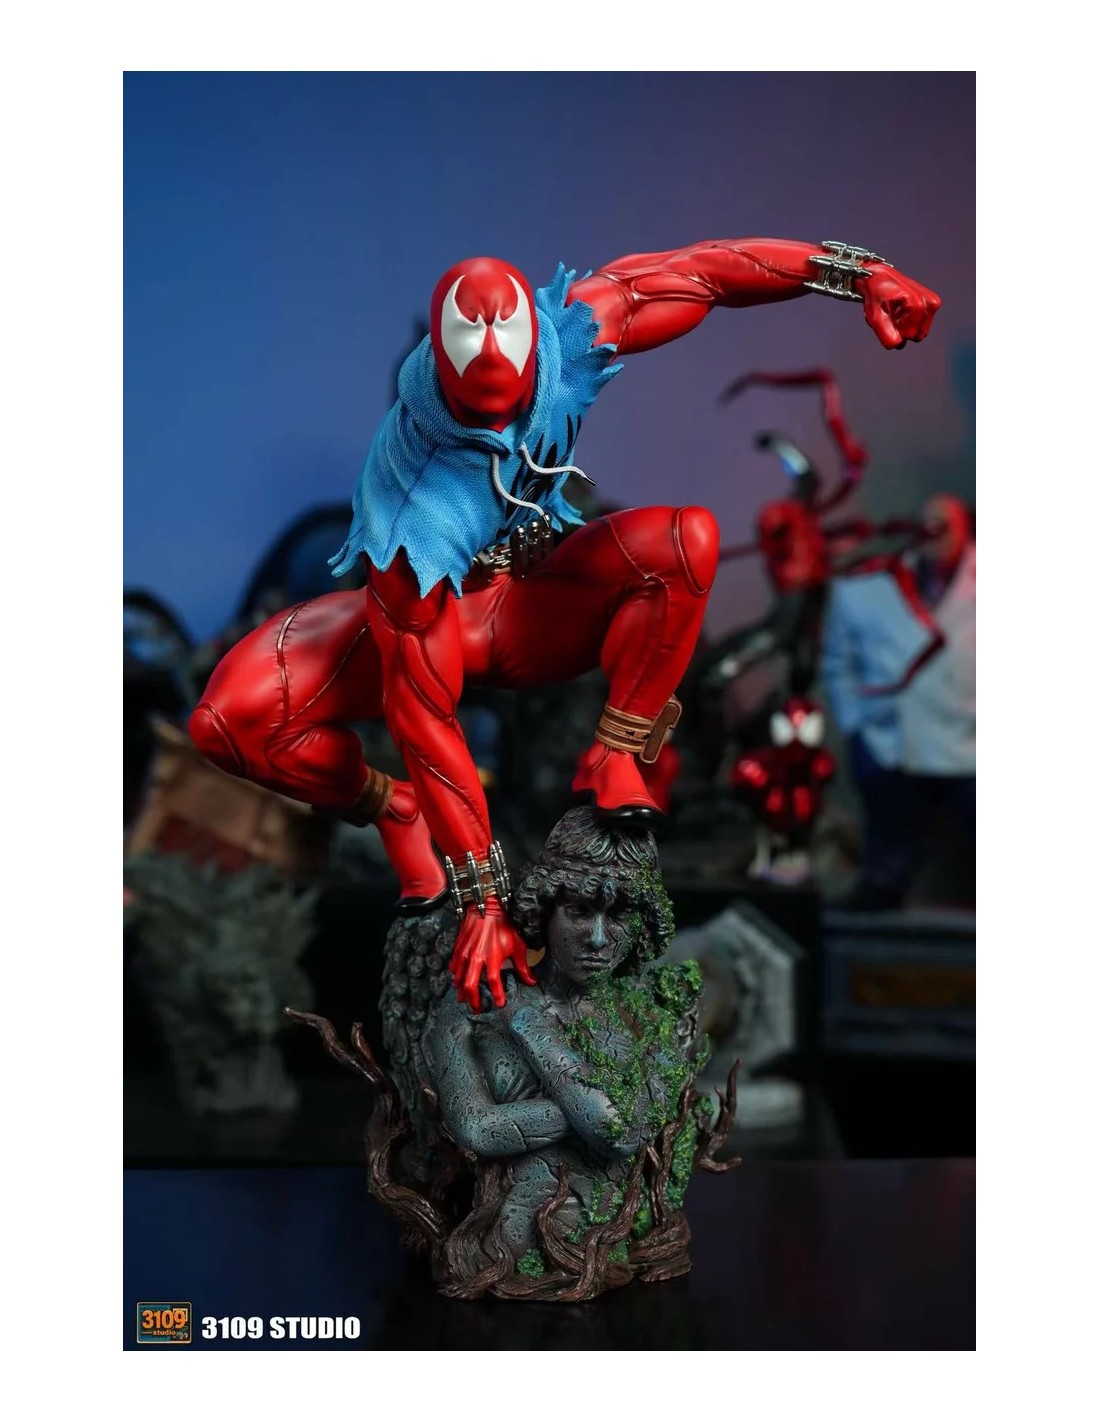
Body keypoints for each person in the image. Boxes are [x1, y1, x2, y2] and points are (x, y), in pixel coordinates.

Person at [190, 240, 941, 1006]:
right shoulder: (413, 506)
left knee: (687, 539)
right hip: (436, 620)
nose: (493, 357)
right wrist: (484, 903)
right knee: (227, 721)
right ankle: (393, 807)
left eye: (505, 337)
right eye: (470, 343)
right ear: (439, 364)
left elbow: (706, 273)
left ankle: (616, 754)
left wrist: (860, 275)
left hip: (528, 609)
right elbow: (424, 718)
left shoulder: (570, 331)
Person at [820, 493, 975, 909]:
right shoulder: (871, 585)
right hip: (893, 744)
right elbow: (838, 664)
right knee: (887, 867)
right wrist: (856, 725)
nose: (934, 531)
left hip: (972, 745)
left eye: (945, 523)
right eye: (927, 523)